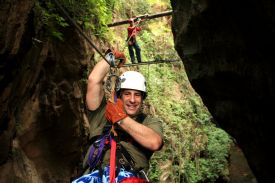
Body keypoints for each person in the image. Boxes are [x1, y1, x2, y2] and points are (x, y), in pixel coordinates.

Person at [72, 50, 163, 183]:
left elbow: (154, 142)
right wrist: (110, 58)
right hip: (94, 176)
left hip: (130, 177)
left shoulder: (149, 122)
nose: (132, 100)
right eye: (127, 94)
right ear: (119, 96)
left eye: (137, 95)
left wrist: (120, 119)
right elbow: (93, 80)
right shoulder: (102, 114)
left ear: (142, 99)